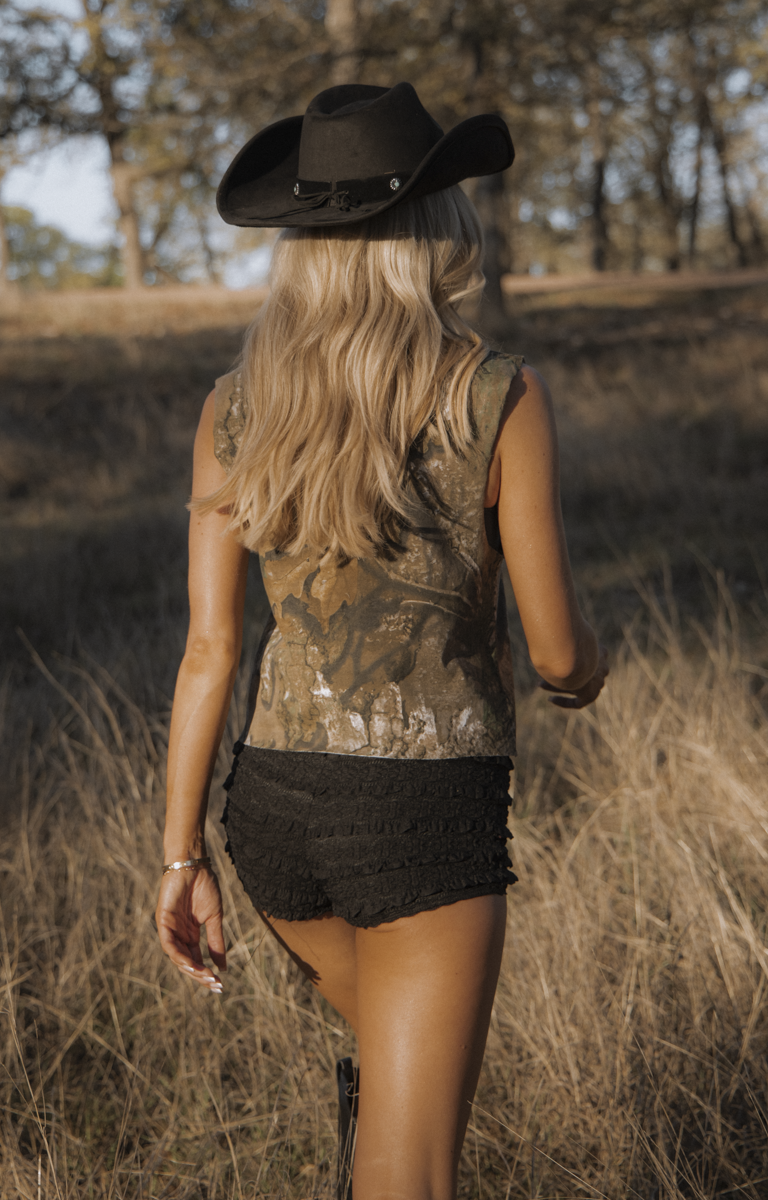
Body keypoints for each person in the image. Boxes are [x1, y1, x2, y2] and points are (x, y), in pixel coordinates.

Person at [155, 82, 608, 1200]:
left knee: (394, 1108)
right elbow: (556, 655)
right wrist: (586, 669)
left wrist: (180, 856)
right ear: (434, 227)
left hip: (271, 818)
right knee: (413, 1170)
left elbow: (210, 649)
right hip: (422, 820)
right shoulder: (495, 395)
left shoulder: (235, 407)